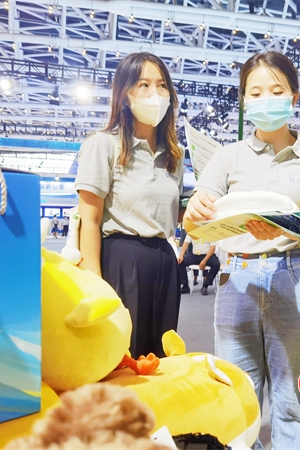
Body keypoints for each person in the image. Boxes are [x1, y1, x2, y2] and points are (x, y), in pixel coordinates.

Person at [184, 51, 300, 449]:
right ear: (244, 100)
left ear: (294, 96)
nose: (266, 99)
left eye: (276, 90)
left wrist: (285, 226)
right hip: (235, 277)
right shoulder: (226, 156)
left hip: (296, 274)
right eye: (255, 92)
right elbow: (193, 223)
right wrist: (194, 209)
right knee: (238, 395)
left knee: (291, 399)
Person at [75, 52, 184, 359]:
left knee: (160, 356)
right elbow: (89, 219)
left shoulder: (174, 155)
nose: (155, 94)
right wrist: (94, 283)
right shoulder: (104, 144)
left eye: (161, 85)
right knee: (122, 354)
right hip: (122, 260)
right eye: (143, 85)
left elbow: (171, 212)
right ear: (125, 94)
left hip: (164, 260)